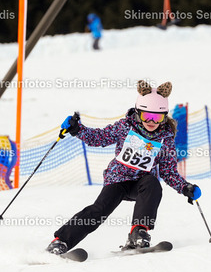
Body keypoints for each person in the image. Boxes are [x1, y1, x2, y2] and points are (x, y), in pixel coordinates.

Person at [46, 80, 202, 254]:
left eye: (157, 117)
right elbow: (100, 137)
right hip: (117, 180)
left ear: (164, 117)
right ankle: (60, 241)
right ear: (138, 113)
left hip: (141, 183)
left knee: (152, 183)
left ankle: (138, 232)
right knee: (99, 210)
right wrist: (77, 129)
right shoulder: (126, 126)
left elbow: (168, 171)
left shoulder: (166, 139)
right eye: (147, 116)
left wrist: (184, 187)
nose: (151, 121)